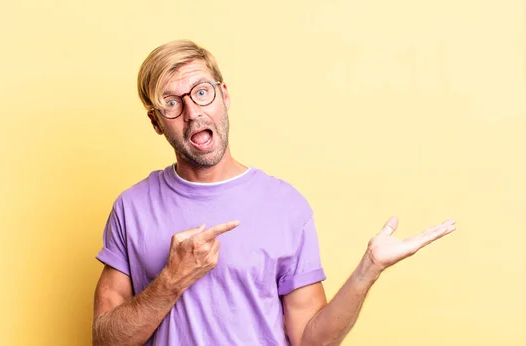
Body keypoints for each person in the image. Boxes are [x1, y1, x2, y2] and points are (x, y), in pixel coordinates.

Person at [91, 39, 456, 346]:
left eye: (202, 92)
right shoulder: (131, 208)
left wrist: (368, 271)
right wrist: (171, 279)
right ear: (156, 122)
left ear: (224, 96)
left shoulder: (284, 206)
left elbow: (309, 338)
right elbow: (106, 339)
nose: (192, 112)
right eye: (172, 103)